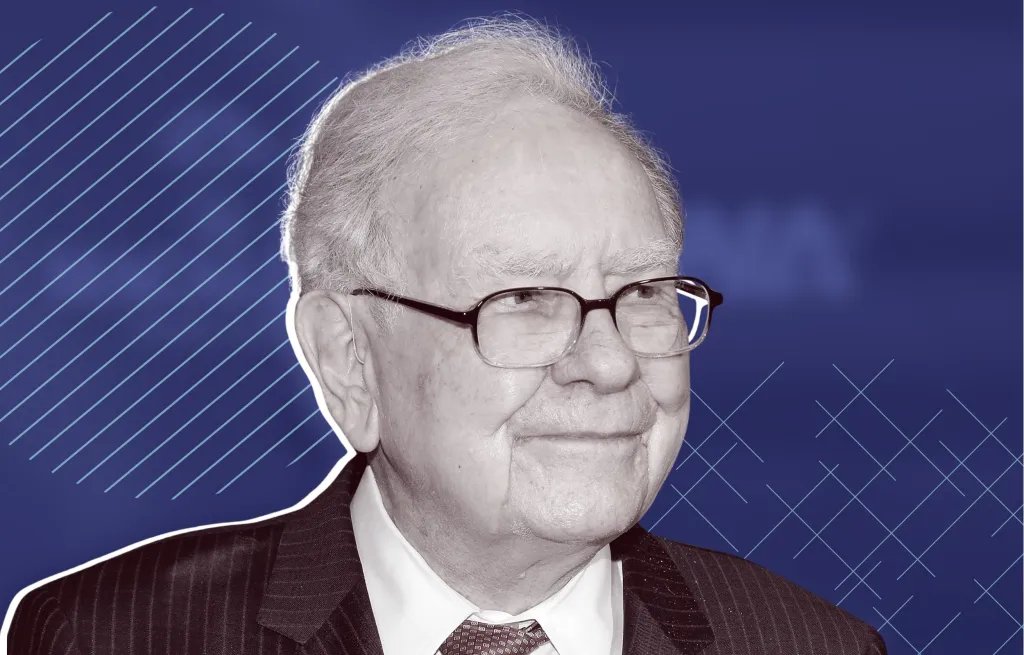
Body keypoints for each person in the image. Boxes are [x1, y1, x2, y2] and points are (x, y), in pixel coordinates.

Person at [5, 17, 886, 655]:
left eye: (643, 291)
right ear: (349, 359)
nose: (612, 362)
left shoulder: (812, 644)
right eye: (526, 297)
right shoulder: (114, 635)